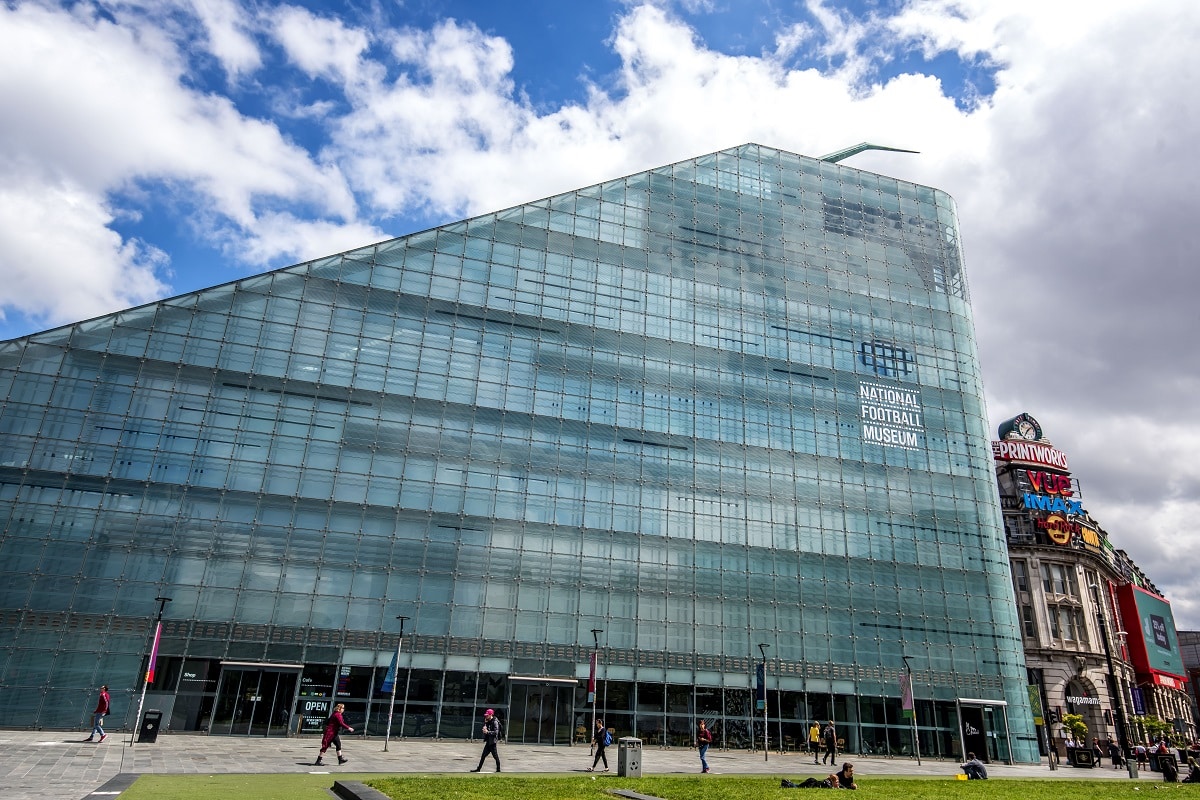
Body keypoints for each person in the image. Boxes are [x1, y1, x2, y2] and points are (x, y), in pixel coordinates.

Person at [472, 708, 502, 772]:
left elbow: (496, 732)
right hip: (488, 742)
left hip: (492, 743)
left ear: (491, 715)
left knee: (495, 757)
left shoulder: (495, 722)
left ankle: (498, 770)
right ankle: (478, 769)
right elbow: (487, 728)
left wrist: (487, 732)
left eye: (487, 715)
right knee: (483, 756)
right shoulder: (488, 721)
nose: (486, 716)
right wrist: (485, 726)